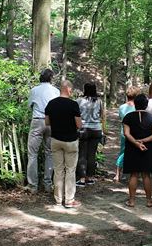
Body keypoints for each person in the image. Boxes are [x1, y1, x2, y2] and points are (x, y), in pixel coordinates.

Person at [45, 80, 83, 208]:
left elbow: (47, 122)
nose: (71, 91)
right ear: (67, 89)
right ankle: (69, 200)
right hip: (71, 141)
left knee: (58, 170)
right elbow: (79, 125)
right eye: (71, 89)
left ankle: (58, 199)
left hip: (56, 140)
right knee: (70, 170)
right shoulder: (73, 105)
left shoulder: (51, 104)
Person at [25, 68, 60, 193]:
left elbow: (29, 106)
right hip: (52, 122)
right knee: (50, 153)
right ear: (51, 78)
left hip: (38, 120)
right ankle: (47, 184)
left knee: (32, 154)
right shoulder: (56, 91)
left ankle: (33, 185)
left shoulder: (34, 90)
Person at [122, 94, 152, 208]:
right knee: (146, 175)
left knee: (133, 174)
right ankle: (149, 201)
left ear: (134, 104)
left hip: (132, 148)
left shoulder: (128, 117)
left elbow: (126, 133)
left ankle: (132, 201)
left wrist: (136, 143)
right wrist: (143, 141)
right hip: (148, 149)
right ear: (146, 104)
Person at [76, 83, 103, 187]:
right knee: (92, 154)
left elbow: (76, 114)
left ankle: (82, 179)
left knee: (82, 154)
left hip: (83, 129)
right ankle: (90, 178)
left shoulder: (79, 101)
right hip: (96, 129)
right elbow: (101, 114)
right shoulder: (99, 101)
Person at [114, 86, 140, 182]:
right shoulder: (137, 108)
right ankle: (135, 173)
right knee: (136, 152)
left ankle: (117, 174)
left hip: (124, 133)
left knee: (123, 152)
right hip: (135, 133)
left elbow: (121, 119)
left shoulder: (122, 107)